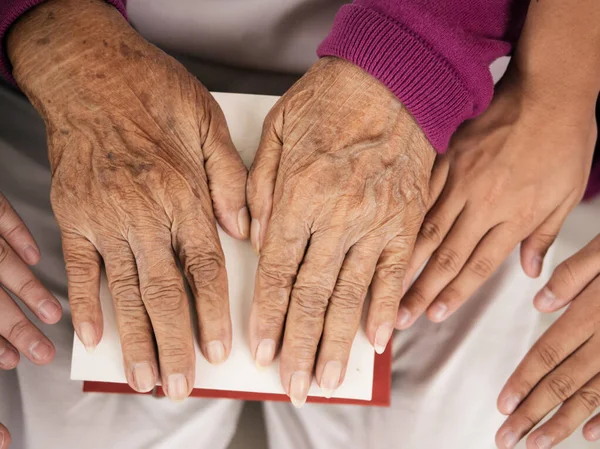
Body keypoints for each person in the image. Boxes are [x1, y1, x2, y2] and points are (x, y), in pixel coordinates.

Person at [0, 2, 597, 449]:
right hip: (48, 92)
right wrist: (58, 40)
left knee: (433, 420)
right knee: (85, 420)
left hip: (471, 96)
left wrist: (551, 90)